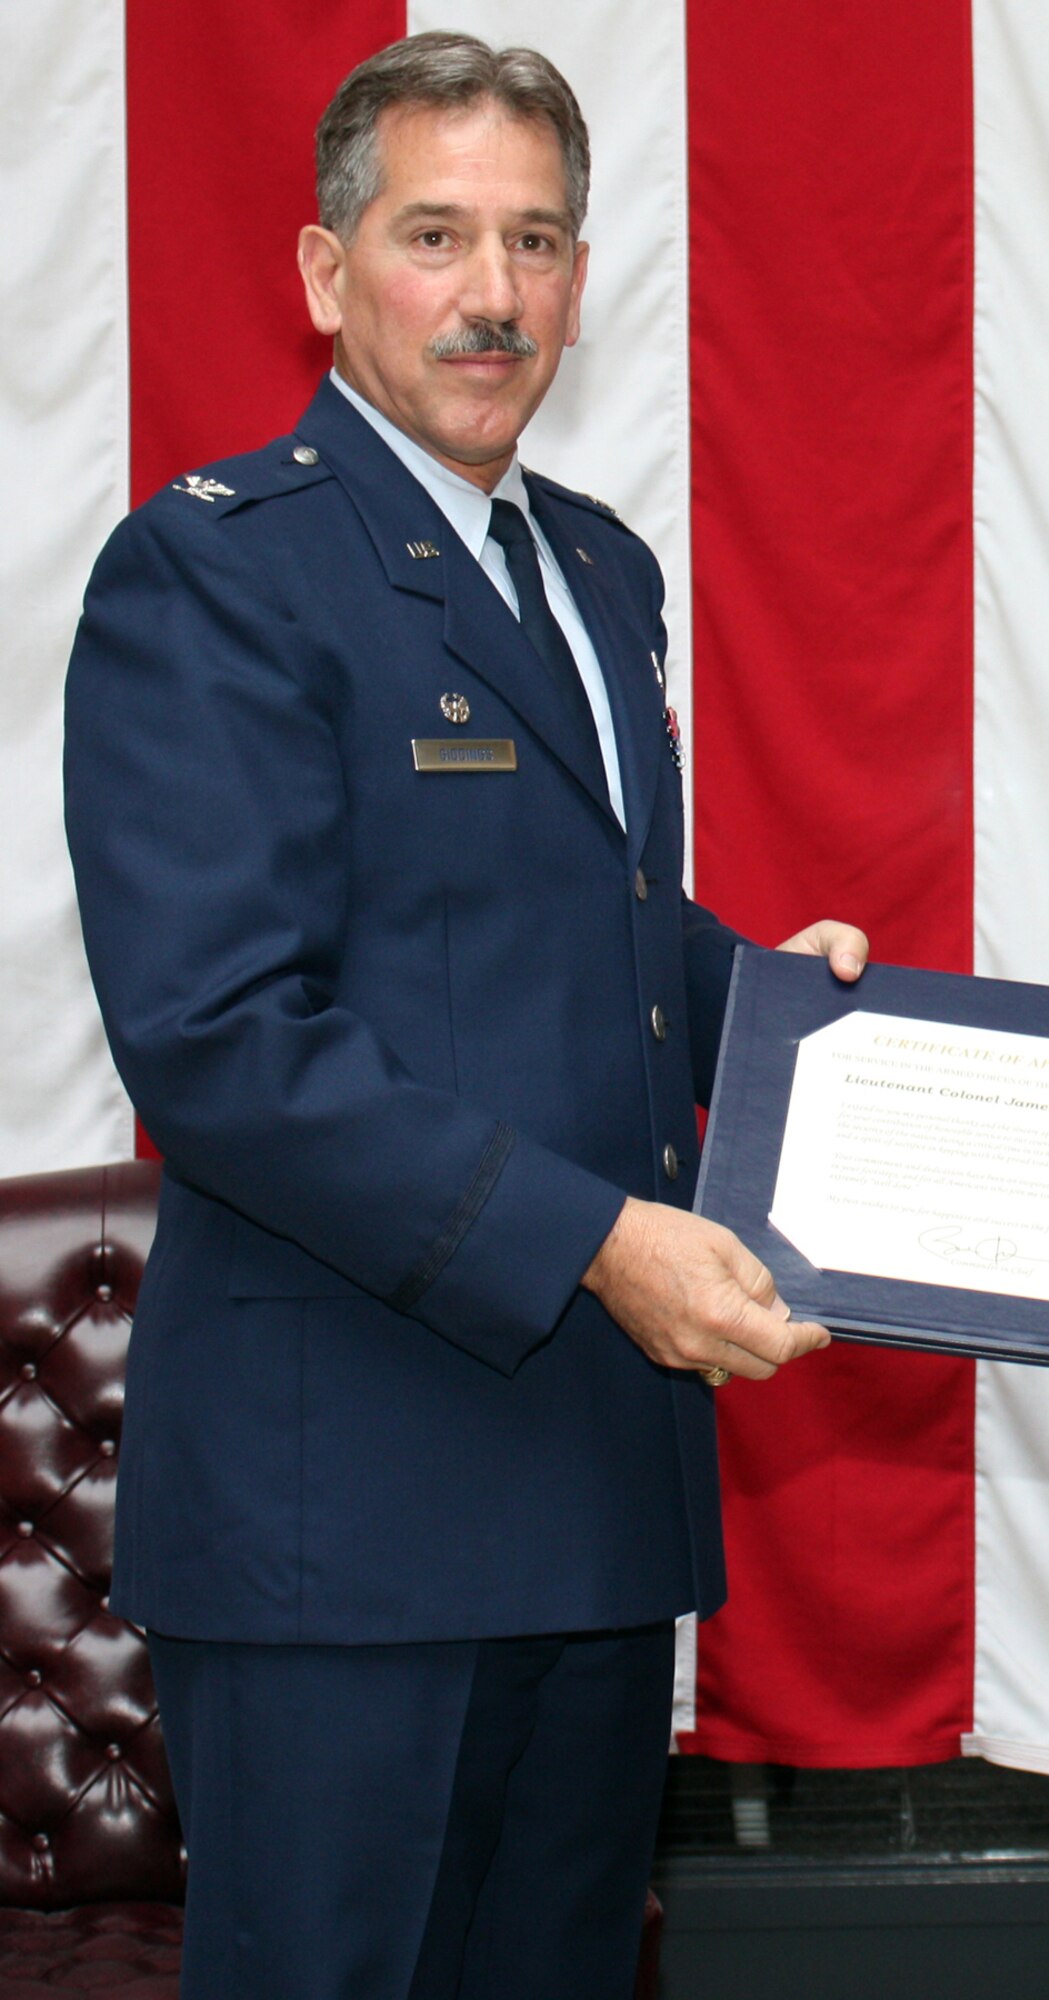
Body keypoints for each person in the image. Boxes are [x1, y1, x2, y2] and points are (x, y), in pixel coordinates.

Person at [63, 32, 866, 2000]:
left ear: (583, 276)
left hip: (591, 1491)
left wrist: (830, 1030)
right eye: (436, 236)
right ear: (331, 274)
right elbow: (224, 1039)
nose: (493, 294)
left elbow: (591, 935)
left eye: (533, 241)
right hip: (349, 1519)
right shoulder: (217, 568)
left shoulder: (599, 572)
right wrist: (602, 1237)